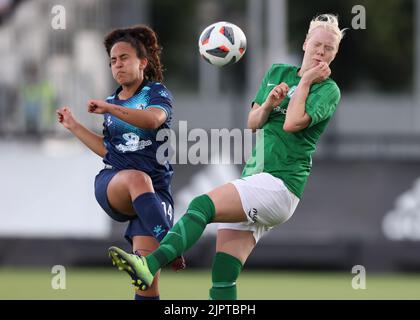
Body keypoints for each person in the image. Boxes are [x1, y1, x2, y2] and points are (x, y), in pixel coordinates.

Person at [108, 13, 345, 299]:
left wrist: (306, 81)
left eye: (329, 48)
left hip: (280, 184)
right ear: (306, 43)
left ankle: (149, 265)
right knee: (223, 278)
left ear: (335, 53)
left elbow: (291, 123)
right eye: (318, 44)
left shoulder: (328, 89)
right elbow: (253, 122)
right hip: (257, 179)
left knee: (201, 205)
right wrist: (270, 102)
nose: (321, 51)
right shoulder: (278, 73)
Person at [57, 24, 184, 301]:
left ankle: (157, 254)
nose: (117, 65)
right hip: (114, 183)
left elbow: (152, 120)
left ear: (143, 62)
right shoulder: (111, 102)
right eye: (113, 60)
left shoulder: (156, 93)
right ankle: (171, 244)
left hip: (154, 194)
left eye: (124, 58)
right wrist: (75, 126)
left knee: (145, 283)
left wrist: (110, 108)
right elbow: (108, 151)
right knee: (137, 177)